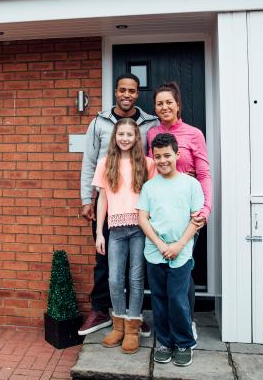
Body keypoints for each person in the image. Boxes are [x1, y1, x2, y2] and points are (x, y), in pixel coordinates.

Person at [78, 73, 159, 336]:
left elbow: (156, 162)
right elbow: (89, 162)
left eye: (132, 91)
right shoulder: (99, 122)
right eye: (122, 90)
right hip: (108, 205)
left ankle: (133, 318)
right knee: (106, 264)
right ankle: (103, 310)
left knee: (137, 269)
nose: (127, 94)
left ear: (137, 94)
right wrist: (86, 199)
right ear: (116, 91)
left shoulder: (150, 123)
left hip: (137, 210)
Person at [146, 81, 211, 338]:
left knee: (182, 267)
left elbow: (204, 173)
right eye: (159, 103)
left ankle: (187, 321)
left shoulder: (194, 134)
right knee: (163, 268)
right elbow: (150, 170)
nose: (164, 107)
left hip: (188, 211)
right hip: (161, 210)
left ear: (178, 105)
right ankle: (165, 327)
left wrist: (205, 209)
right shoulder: (152, 135)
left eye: (169, 102)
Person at [137, 133, 202, 367]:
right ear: (152, 158)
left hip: (181, 253)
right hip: (155, 253)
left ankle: (184, 342)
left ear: (177, 154)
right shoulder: (149, 187)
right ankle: (164, 342)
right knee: (160, 299)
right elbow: (143, 218)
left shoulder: (191, 184)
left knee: (177, 298)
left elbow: (196, 220)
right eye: (158, 156)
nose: (162, 160)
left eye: (167, 155)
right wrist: (162, 245)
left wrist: (177, 245)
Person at [92, 118, 156, 353]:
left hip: (139, 228)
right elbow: (103, 199)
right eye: (121, 134)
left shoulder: (148, 164)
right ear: (115, 137)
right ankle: (118, 325)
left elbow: (154, 197)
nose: (125, 139)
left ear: (136, 137)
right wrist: (99, 232)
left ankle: (132, 329)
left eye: (130, 134)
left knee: (136, 279)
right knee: (115, 279)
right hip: (115, 230)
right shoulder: (105, 163)